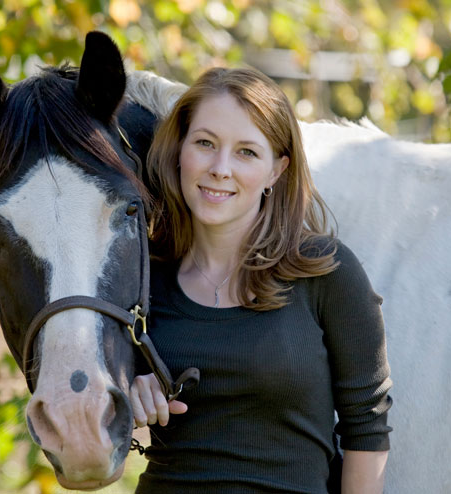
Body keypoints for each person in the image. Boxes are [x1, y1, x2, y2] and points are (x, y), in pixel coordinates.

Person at [130, 67, 392, 494]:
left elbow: (367, 426)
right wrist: (129, 388)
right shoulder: (142, 276)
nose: (220, 168)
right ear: (179, 149)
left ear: (276, 170)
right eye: (205, 143)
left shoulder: (327, 271)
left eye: (247, 152)